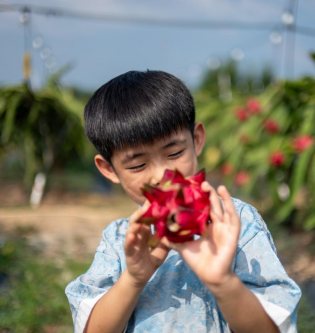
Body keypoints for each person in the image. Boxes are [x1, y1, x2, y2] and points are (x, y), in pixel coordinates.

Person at [65, 70, 301, 333]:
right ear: (109, 169)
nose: (161, 176)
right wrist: (133, 279)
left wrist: (224, 282)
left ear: (197, 140)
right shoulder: (120, 241)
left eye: (175, 153)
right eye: (138, 165)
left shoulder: (238, 225)